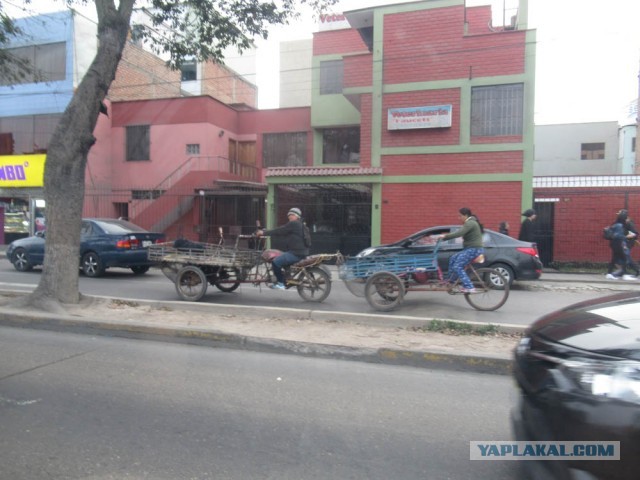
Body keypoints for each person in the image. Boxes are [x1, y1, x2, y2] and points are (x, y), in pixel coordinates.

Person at [256, 207, 309, 289]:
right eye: (289, 215)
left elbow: (280, 230)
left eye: (292, 215)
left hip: (296, 253)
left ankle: (280, 283)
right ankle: (287, 277)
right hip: (301, 252)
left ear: (297, 216)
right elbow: (283, 232)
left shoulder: (294, 224)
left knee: (275, 262)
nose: (290, 217)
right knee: (283, 257)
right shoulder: (301, 225)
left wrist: (263, 233)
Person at [437, 207, 484, 294]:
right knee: (453, 258)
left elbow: (459, 233)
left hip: (473, 249)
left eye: (460, 216)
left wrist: (445, 236)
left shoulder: (470, 223)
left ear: (465, 215)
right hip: (470, 249)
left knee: (458, 266)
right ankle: (451, 281)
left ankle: (469, 287)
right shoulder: (470, 222)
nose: (459, 218)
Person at [605, 209, 637, 280]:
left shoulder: (617, 223)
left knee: (615, 258)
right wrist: (626, 238)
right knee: (625, 258)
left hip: (617, 243)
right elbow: (629, 234)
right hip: (621, 243)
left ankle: (610, 273)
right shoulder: (621, 224)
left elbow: (634, 233)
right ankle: (624, 274)